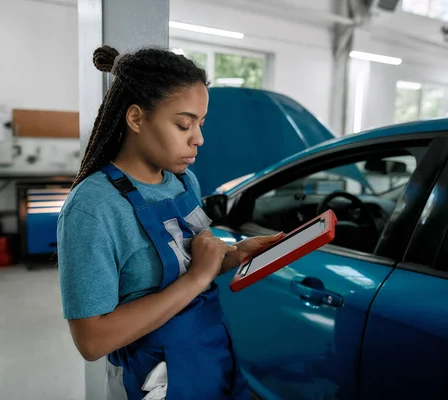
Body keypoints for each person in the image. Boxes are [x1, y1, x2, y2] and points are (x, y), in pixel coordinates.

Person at [57, 45, 283, 400]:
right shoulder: (93, 208)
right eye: (183, 124)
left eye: (200, 123)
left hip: (210, 357)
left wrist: (234, 254)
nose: (199, 138)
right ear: (136, 118)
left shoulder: (182, 181)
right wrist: (197, 279)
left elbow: (192, 259)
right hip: (151, 380)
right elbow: (91, 340)